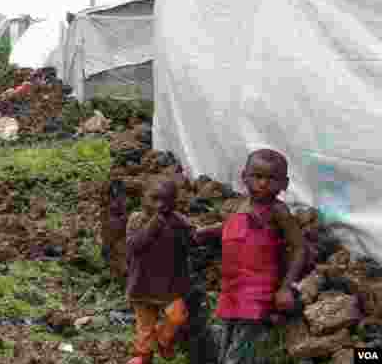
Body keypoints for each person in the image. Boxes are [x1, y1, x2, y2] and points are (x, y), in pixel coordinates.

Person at [195, 148, 308, 364]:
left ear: (284, 184)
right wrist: (207, 231)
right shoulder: (241, 204)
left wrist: (285, 287)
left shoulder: (278, 211)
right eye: (257, 176)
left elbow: (299, 247)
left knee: (240, 350)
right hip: (232, 286)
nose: (263, 184)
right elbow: (231, 227)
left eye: (271, 178)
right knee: (226, 340)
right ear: (244, 176)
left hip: (257, 289)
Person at [124, 177, 193, 364]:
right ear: (142, 197)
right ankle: (143, 357)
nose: (160, 205)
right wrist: (153, 225)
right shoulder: (136, 219)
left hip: (170, 284)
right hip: (142, 284)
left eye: (167, 200)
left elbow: (190, 240)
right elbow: (133, 246)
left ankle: (163, 339)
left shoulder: (178, 221)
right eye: (154, 199)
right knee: (144, 328)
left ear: (175, 202)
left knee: (177, 316)